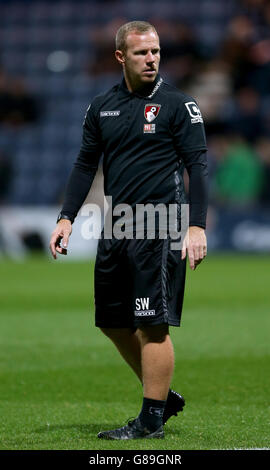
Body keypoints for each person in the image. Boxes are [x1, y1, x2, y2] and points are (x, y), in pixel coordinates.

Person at [50, 21, 208, 440]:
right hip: (116, 224)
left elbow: (198, 167)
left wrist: (196, 225)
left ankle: (151, 420)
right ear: (121, 57)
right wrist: (66, 217)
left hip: (161, 225)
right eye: (141, 53)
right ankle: (163, 396)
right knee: (111, 320)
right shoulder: (101, 106)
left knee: (151, 323)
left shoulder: (179, 105)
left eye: (155, 51)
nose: (152, 58)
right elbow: (86, 165)